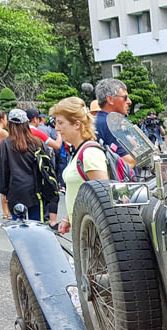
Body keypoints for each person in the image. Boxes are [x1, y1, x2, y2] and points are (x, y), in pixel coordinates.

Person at [50, 97, 108, 234]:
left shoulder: (89, 153)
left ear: (77, 124)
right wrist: (67, 218)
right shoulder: (80, 150)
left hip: (92, 235)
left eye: (60, 123)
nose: (57, 128)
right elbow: (76, 191)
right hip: (84, 229)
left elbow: (104, 197)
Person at [0, 109, 48, 222]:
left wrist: (4, 190)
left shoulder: (6, 143)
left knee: (18, 225)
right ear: (26, 123)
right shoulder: (37, 142)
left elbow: (3, 168)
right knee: (37, 224)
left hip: (15, 189)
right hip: (35, 188)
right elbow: (45, 165)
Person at [93, 77, 130, 155]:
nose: (129, 101)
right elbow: (128, 161)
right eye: (125, 97)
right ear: (110, 99)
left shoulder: (97, 122)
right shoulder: (111, 124)